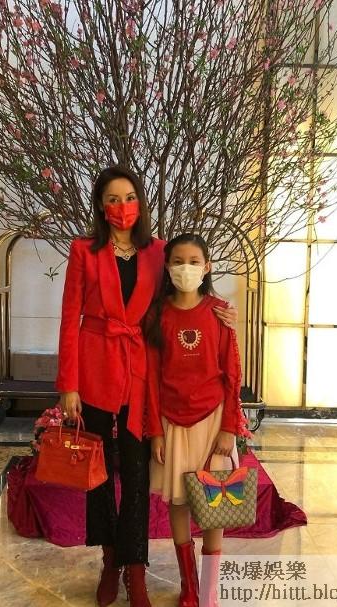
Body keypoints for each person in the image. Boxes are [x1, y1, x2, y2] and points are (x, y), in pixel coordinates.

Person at [56, 166, 236, 607]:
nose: (122, 207)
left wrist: (222, 312)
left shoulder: (158, 251)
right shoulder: (83, 251)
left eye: (129, 197)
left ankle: (135, 570)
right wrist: (68, 385)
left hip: (140, 371)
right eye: (113, 199)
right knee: (98, 473)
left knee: (137, 475)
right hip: (95, 368)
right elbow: (70, 317)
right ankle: (109, 561)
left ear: (141, 202)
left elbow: (181, 300)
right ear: (101, 205)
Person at [145, 233, 244, 607]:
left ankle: (210, 591)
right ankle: (189, 586)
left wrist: (229, 427)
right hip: (172, 423)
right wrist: (155, 431)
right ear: (167, 266)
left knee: (216, 505)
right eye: (177, 261)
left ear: (207, 267)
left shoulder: (219, 313)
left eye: (193, 261)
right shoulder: (157, 315)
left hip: (212, 421)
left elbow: (232, 374)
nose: (185, 268)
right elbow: (151, 379)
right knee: (180, 502)